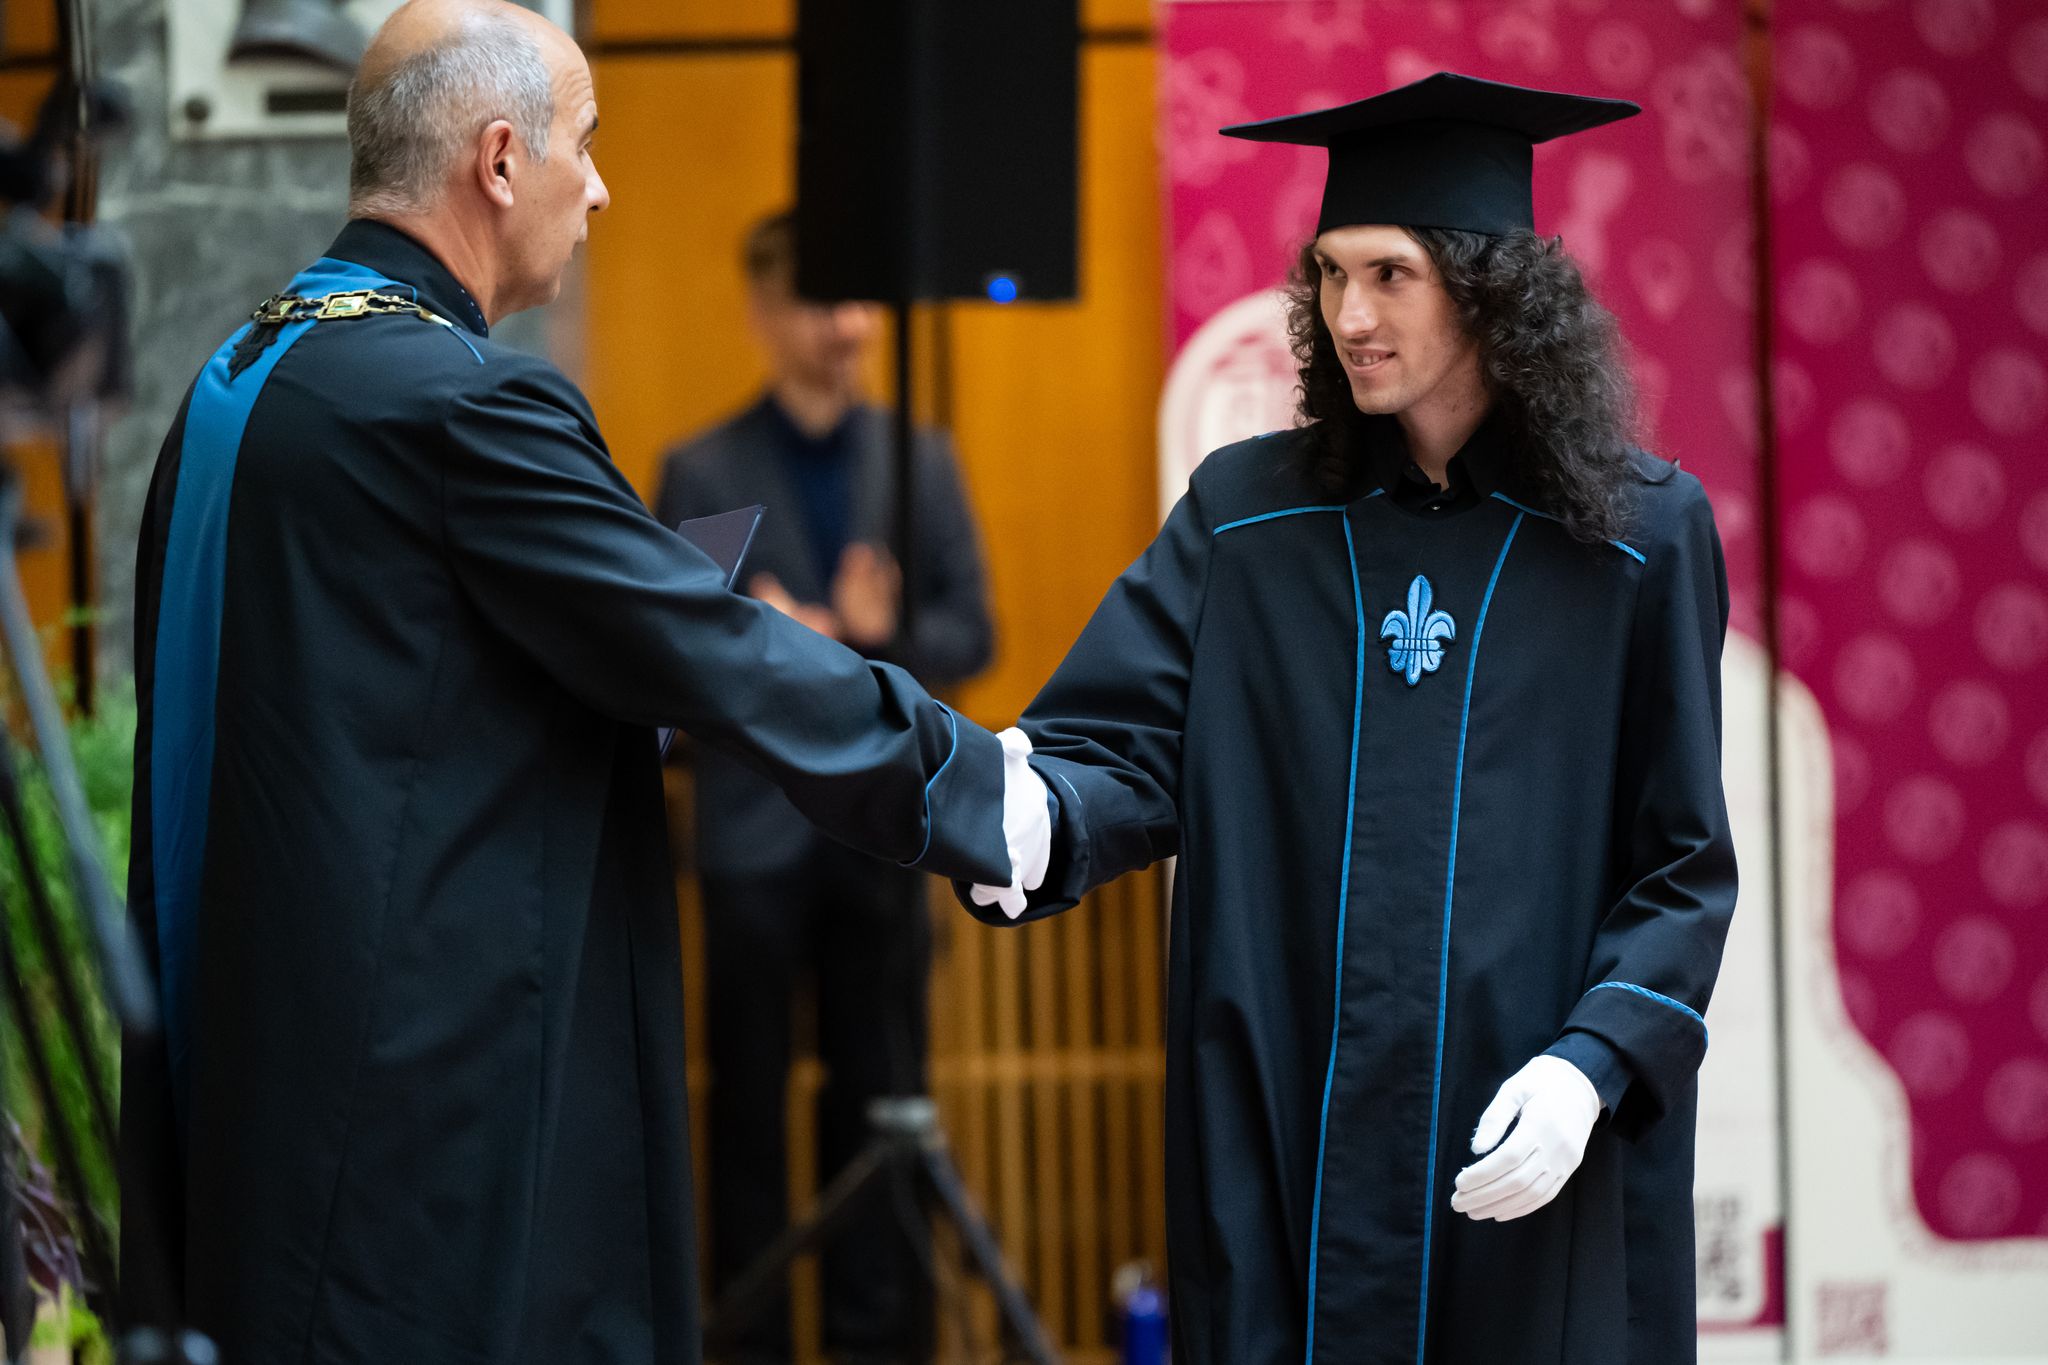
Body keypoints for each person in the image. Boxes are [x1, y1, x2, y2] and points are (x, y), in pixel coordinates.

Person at [117, 4, 1043, 1362]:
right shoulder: (464, 403)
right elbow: (714, 648)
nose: (600, 189)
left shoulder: (246, 368)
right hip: (415, 1120)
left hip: (254, 1065)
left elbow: (381, 696)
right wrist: (983, 789)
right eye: (587, 144)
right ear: (500, 161)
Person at [966, 73, 1737, 1364]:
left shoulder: (1635, 539)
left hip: (1522, 1145)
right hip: (1292, 1137)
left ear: (1490, 290)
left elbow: (1681, 869)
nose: (1349, 315)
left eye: (1390, 275)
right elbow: (1120, 748)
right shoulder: (1248, 518)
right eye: (1329, 274)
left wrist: (1592, 1060)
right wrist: (1031, 817)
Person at [652, 212, 994, 1365]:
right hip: (751, 848)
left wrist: (873, 637)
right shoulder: (703, 472)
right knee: (743, 1117)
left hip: (886, 841)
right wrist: (764, 646)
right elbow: (664, 675)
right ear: (761, 310)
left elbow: (972, 632)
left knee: (883, 1110)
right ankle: (745, 1343)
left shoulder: (918, 458)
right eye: (817, 302)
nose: (845, 327)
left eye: (856, 302)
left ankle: (878, 1347)